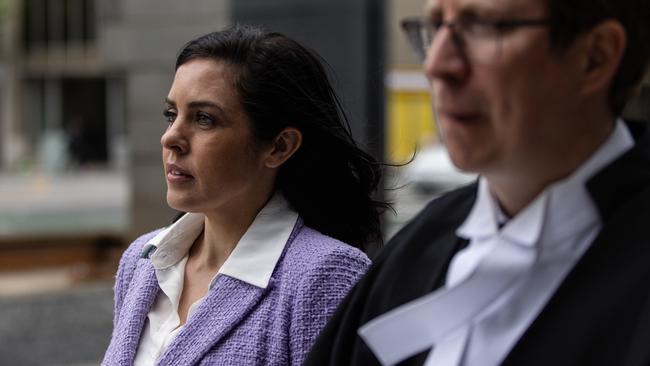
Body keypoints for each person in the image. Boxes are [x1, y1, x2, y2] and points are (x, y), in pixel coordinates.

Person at [306, 0, 650, 365]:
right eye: (436, 26)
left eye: (485, 26)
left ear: (595, 56)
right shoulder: (420, 244)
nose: (437, 65)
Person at [102, 25, 386, 365]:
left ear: (280, 146)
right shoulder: (142, 261)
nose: (171, 138)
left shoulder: (326, 277)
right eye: (171, 115)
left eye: (204, 119)